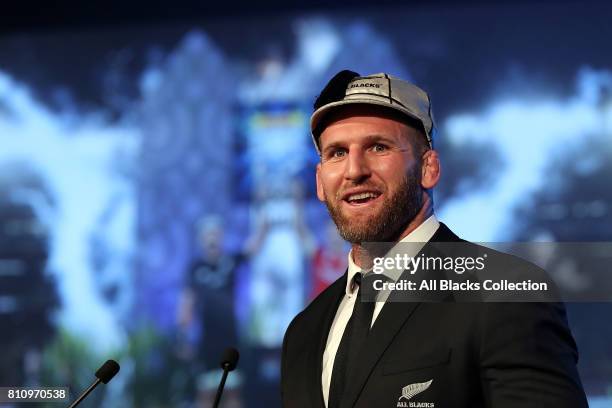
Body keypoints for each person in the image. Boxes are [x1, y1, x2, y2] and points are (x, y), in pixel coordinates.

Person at [280, 71, 588, 407]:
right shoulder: (303, 332)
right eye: (336, 153)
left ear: (429, 168)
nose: (354, 170)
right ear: (320, 183)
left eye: (378, 146)